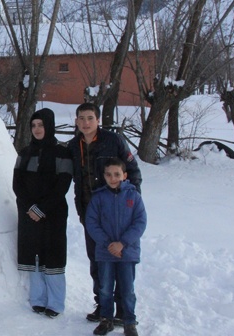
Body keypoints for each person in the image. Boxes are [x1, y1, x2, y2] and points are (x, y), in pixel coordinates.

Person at [67, 102, 142, 324]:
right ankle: (103, 305)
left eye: (90, 118)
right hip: (91, 215)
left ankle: (122, 309)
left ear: (98, 120)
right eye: (81, 118)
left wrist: (131, 200)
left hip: (119, 214)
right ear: (76, 121)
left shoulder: (113, 140)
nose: (85, 122)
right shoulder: (73, 146)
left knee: (122, 260)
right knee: (98, 260)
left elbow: (133, 170)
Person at [13, 108, 73, 318]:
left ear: (49, 125)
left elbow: (62, 185)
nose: (37, 129)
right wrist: (30, 208)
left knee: (53, 255)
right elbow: (17, 184)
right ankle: (37, 299)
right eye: (34, 125)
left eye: (41, 125)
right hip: (28, 213)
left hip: (53, 213)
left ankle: (56, 303)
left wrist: (42, 208)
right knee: (34, 255)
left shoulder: (62, 152)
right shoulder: (24, 152)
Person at [86, 158, 146, 336]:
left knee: (127, 289)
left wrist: (122, 243)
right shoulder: (98, 197)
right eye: (109, 175)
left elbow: (140, 222)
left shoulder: (133, 197)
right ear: (104, 176)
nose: (113, 178)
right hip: (105, 253)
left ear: (125, 175)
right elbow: (92, 223)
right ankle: (106, 319)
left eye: (117, 174)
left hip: (127, 252)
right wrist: (107, 244)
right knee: (105, 288)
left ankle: (129, 321)